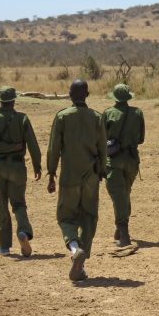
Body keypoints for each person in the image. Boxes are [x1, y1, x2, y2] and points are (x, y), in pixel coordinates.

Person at [47, 80, 107, 281]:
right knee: (89, 218)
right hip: (90, 176)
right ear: (87, 94)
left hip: (69, 176)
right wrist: (101, 171)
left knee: (66, 217)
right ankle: (81, 263)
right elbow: (102, 149)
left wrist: (51, 174)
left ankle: (74, 249)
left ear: (70, 95)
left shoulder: (62, 117)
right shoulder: (97, 118)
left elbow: (54, 148)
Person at [0, 86, 42, 257]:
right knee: (19, 203)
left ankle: (4, 247)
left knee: (2, 205)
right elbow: (33, 144)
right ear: (14, 100)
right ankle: (23, 231)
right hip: (17, 166)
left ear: (0, 100)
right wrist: (37, 166)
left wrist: (5, 148)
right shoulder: (22, 119)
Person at [103, 84, 145, 247]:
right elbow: (141, 138)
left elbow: (102, 138)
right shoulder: (138, 113)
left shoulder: (107, 113)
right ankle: (120, 227)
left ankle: (124, 232)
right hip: (132, 161)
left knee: (118, 195)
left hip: (113, 160)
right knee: (124, 193)